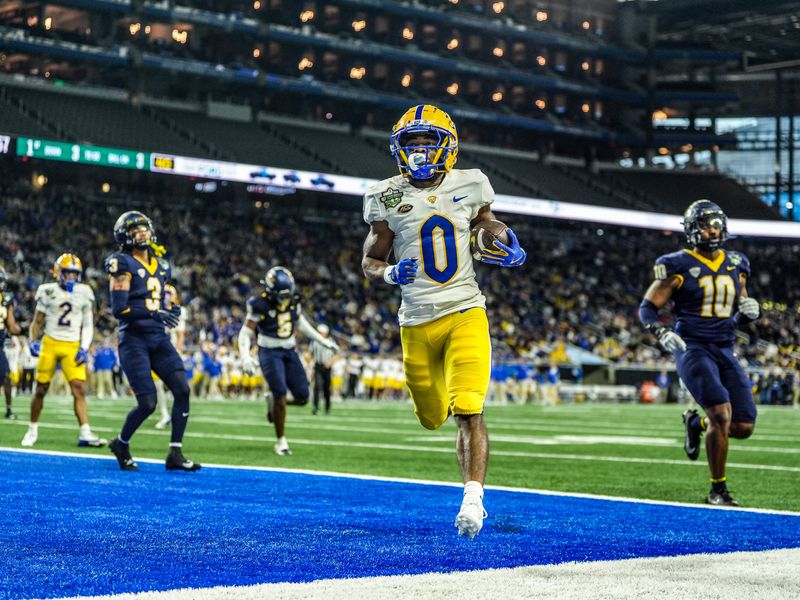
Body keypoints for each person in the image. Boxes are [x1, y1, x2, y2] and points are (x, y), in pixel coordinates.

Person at [361, 104, 526, 539]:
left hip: (464, 310)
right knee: (432, 416)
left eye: (426, 141)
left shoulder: (471, 183)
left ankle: (473, 499)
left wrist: (501, 239)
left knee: (469, 407)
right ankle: (464, 471)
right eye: (410, 142)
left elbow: (486, 224)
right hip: (416, 320)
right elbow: (371, 259)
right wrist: (390, 273)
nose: (418, 149)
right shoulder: (384, 195)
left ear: (446, 146)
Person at [639, 200, 760, 507]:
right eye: (706, 226)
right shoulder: (677, 264)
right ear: (692, 231)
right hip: (692, 346)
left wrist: (749, 313)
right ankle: (718, 490)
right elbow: (647, 308)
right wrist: (661, 332)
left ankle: (696, 425)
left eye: (717, 225)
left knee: (743, 426)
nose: (713, 231)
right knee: (721, 413)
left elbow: (738, 312)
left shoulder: (737, 263)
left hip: (724, 346)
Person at [104, 211, 200, 471]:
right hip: (134, 340)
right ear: (124, 236)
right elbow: (119, 310)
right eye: (135, 230)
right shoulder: (122, 263)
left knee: (182, 389)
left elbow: (155, 299)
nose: (142, 233)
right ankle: (121, 443)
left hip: (158, 337)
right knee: (148, 403)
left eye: (144, 228)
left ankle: (175, 453)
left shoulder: (161, 265)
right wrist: (154, 313)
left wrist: (168, 308)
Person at [238, 266, 339, 456]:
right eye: (281, 295)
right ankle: (281, 441)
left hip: (289, 350)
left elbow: (301, 324)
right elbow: (245, 332)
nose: (285, 298)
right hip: (269, 352)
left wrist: (322, 340)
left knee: (303, 397)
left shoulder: (293, 300)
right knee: (281, 394)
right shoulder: (259, 304)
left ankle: (274, 402)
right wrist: (245, 356)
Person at [21, 254, 106, 448]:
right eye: (67, 273)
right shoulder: (47, 290)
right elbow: (37, 322)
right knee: (40, 388)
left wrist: (84, 348)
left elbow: (88, 324)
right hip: (50, 342)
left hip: (72, 344)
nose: (71, 277)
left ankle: (85, 432)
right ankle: (32, 429)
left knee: (79, 389)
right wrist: (32, 341)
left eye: (74, 274)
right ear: (58, 272)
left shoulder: (84, 292)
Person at [0, 267, 21, 420]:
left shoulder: (6, 300)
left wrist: (22, 329)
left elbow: (12, 326)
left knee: (6, 377)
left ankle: (8, 409)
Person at [310, 324, 337, 415]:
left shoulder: (331, 341)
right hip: (318, 366)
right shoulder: (314, 342)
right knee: (317, 387)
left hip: (327, 367)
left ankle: (327, 407)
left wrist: (330, 361)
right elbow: (310, 353)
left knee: (326, 388)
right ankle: (316, 407)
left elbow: (337, 353)